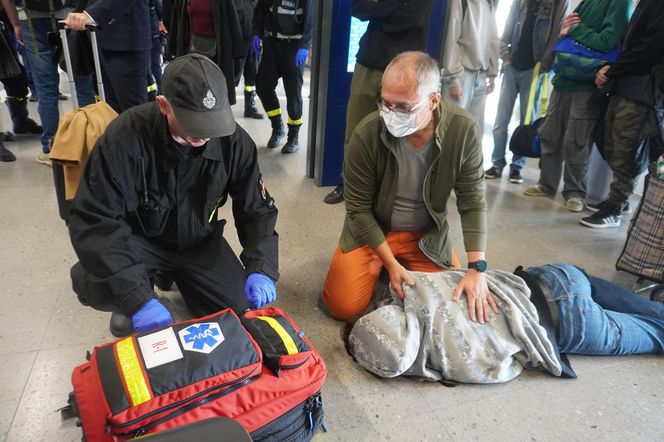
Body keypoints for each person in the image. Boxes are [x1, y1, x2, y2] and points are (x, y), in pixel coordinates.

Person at [68, 54, 280, 337]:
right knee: (91, 282)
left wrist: (261, 266)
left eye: (212, 122)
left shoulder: (234, 141)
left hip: (199, 243)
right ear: (164, 105)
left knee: (239, 306)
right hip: (142, 241)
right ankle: (146, 283)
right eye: (195, 123)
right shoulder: (123, 140)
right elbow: (95, 221)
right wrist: (136, 297)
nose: (205, 134)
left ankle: (179, 277)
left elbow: (256, 209)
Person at [323, 51, 493, 323]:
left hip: (425, 234)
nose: (390, 114)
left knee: (451, 301)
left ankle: (412, 262)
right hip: (374, 231)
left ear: (433, 100)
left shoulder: (463, 131)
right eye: (385, 103)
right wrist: (391, 264)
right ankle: (380, 264)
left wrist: (477, 268)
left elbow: (472, 201)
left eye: (403, 107)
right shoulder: (366, 134)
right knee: (342, 308)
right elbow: (358, 210)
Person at [345, 264, 664, 383]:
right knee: (653, 311)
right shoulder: (416, 286)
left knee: (658, 333)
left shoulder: (454, 361)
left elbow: (508, 369)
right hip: (554, 275)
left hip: (572, 325)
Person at [324, 0, 437, 205]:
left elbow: (412, 18)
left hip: (407, 69)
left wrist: (379, 8)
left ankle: (394, 189)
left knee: (403, 132)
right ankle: (350, 184)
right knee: (356, 131)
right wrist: (395, 7)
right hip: (368, 63)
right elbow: (358, 9)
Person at [523, 0, 629, 213]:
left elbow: (608, 40)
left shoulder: (620, 3)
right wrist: (570, 31)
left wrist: (576, 30)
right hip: (563, 79)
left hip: (587, 84)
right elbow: (567, 29)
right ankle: (546, 183)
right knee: (550, 134)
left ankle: (575, 192)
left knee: (578, 141)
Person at [580, 0, 664, 228]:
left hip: (643, 91)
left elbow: (650, 48)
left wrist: (614, 69)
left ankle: (615, 207)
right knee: (614, 145)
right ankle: (617, 200)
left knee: (628, 151)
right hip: (626, 84)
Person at [1, 0, 95, 166]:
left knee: (45, 88)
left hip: (30, 18)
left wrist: (15, 24)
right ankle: (90, 141)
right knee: (82, 81)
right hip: (72, 15)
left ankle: (51, 147)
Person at [485, 0, 567, 184]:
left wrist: (543, 67)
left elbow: (555, 37)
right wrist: (505, 59)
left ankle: (517, 167)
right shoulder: (520, 2)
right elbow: (505, 33)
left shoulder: (555, 4)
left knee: (526, 122)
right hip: (511, 67)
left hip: (534, 70)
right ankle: (497, 163)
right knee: (501, 121)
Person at [64, 0, 151, 114]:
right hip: (99, 36)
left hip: (124, 39)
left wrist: (90, 14)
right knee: (110, 108)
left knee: (133, 111)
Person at [252, 0, 313, 154]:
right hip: (272, 44)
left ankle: (294, 136)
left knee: (293, 93)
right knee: (263, 85)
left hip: (294, 46)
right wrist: (256, 33)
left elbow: (311, 18)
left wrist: (305, 45)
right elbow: (260, 10)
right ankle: (278, 127)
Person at [164, 0, 245, 107]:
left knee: (215, 95)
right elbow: (176, 20)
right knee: (191, 94)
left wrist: (238, 50)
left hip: (217, 55)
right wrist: (172, 48)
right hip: (190, 52)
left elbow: (232, 18)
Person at [440, 0, 500, 134]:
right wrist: (452, 78)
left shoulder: (489, 3)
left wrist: (492, 72)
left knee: (474, 132)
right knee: (450, 130)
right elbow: (451, 39)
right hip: (461, 73)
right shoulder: (460, 2)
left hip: (481, 74)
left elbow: (492, 38)